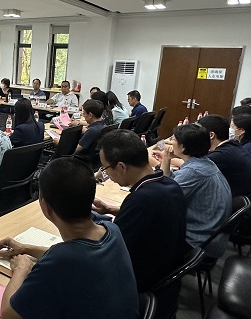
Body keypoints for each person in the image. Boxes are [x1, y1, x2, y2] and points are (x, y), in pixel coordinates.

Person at [0, 158, 139, 319]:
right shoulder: (112, 230)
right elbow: (74, 256)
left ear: (46, 207)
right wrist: (26, 248)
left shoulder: (60, 262)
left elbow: (9, 316)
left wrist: (20, 270)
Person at [93, 129, 187, 293]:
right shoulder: (169, 184)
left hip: (139, 282)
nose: (106, 173)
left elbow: (110, 249)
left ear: (121, 166)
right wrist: (112, 210)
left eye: (105, 168)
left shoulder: (141, 200)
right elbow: (149, 218)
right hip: (165, 272)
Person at [158, 123, 232, 259]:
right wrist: (166, 158)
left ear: (183, 147)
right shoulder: (204, 162)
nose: (170, 142)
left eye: (173, 139)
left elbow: (163, 198)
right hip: (208, 233)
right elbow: (168, 183)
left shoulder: (194, 171)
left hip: (197, 241)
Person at [198, 115, 251, 212]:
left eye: (197, 133)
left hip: (243, 208)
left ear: (211, 135)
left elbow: (194, 167)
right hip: (249, 202)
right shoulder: (232, 145)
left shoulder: (222, 155)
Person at [72, 100, 107, 170]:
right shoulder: (104, 126)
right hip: (96, 162)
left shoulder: (92, 131)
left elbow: (76, 150)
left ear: (90, 115)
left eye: (84, 114)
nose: (83, 116)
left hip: (83, 162)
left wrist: (59, 142)